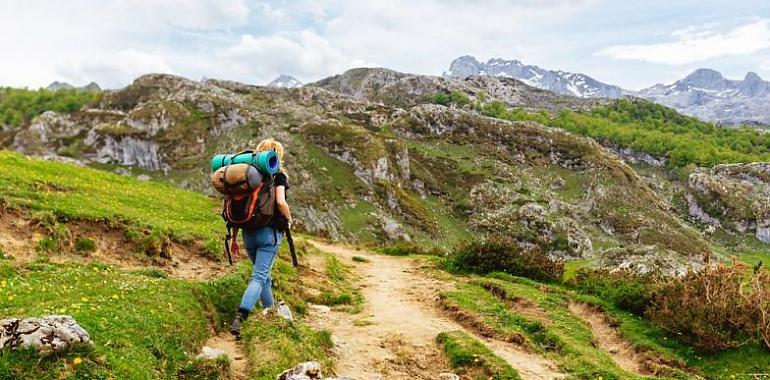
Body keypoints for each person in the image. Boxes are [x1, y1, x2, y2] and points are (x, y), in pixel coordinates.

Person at [229, 138, 292, 338]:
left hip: (248, 234)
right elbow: (281, 202)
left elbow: (239, 208)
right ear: (276, 155)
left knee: (264, 277)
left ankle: (270, 313)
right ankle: (241, 316)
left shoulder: (248, 176)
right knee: (259, 276)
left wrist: (234, 239)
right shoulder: (277, 176)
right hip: (269, 233)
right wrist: (289, 219)